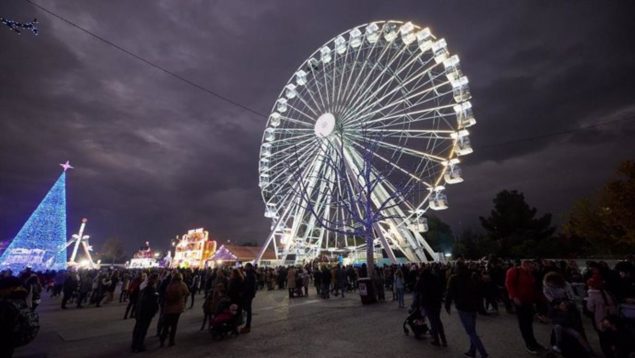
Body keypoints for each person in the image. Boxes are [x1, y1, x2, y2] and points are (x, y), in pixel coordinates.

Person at [543, 271, 592, 354]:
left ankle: (583, 349)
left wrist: (566, 304)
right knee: (559, 328)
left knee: (576, 329)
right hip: (556, 306)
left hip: (569, 307)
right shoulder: (546, 285)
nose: (550, 285)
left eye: (551, 283)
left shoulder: (565, 285)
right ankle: (560, 347)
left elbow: (571, 297)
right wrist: (557, 305)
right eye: (548, 283)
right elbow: (548, 296)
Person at [446, 262, 488, 358]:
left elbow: (450, 293)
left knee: (471, 332)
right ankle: (472, 351)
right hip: (472, 307)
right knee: (472, 330)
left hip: (463, 308)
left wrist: (447, 305)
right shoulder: (471, 278)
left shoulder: (454, 279)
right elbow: (477, 292)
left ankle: (483, 353)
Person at [505, 260, 545, 354]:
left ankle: (533, 342)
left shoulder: (529, 273)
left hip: (528, 301)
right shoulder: (514, 271)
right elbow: (509, 284)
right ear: (525, 264)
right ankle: (529, 344)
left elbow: (532, 287)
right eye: (530, 266)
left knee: (529, 323)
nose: (532, 268)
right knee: (524, 324)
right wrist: (514, 297)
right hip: (520, 301)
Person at [586, 275, 618, 357]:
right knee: (613, 336)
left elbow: (590, 308)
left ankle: (608, 354)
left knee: (603, 339)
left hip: (600, 320)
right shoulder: (605, 292)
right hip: (611, 317)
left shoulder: (592, 295)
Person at [418, 267, 447, 347]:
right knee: (438, 321)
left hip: (428, 304)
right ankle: (444, 340)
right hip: (437, 304)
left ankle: (436, 340)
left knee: (433, 322)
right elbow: (440, 290)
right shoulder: (435, 279)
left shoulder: (423, 280)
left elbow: (419, 290)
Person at [159, 272, 189, 347]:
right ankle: (171, 341)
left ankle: (162, 340)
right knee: (174, 325)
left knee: (166, 325)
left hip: (168, 307)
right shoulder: (182, 284)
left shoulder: (170, 284)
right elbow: (187, 292)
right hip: (177, 307)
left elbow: (165, 293)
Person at [131, 273, 159, 353]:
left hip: (139, 311)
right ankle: (139, 345)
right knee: (143, 329)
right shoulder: (151, 290)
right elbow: (151, 302)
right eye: (156, 279)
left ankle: (134, 344)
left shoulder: (143, 287)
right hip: (146, 313)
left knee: (137, 328)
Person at [240, 263, 257, 334]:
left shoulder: (251, 275)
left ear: (249, 267)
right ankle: (247, 325)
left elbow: (249, 286)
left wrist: (244, 293)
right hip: (249, 295)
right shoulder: (250, 274)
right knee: (247, 309)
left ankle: (247, 326)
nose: (245, 268)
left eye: (246, 267)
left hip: (248, 295)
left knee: (248, 310)